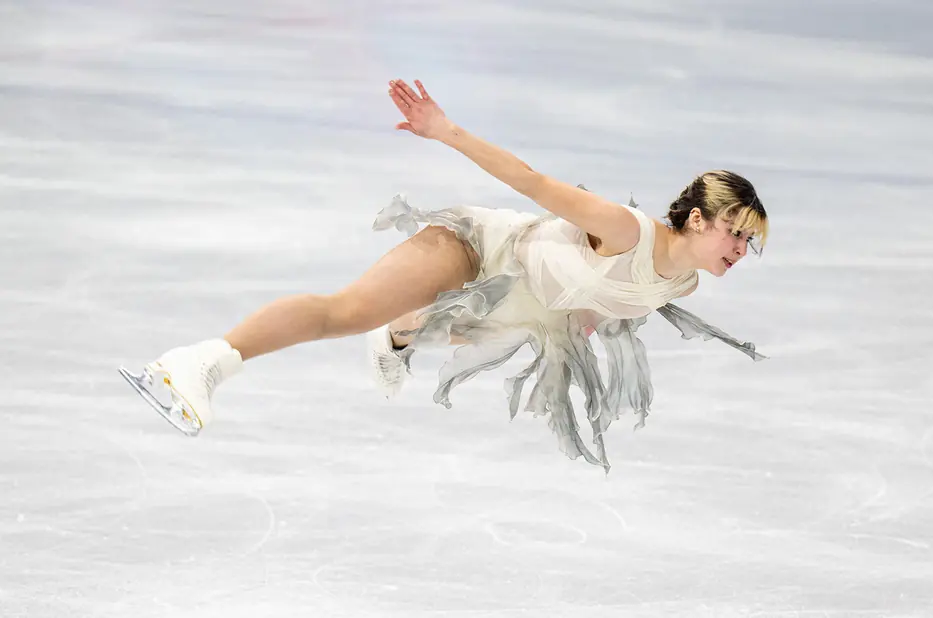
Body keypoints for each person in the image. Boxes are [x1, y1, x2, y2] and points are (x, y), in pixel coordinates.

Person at [119, 78, 769, 472]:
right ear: (696, 219)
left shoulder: (680, 282)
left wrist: (578, 320)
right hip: (478, 249)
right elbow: (534, 182)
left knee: (444, 334)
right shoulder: (626, 229)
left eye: (749, 241)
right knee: (348, 312)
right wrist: (446, 130)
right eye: (734, 232)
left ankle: (400, 336)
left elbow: (607, 297)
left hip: (510, 299)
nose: (740, 249)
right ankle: (202, 361)